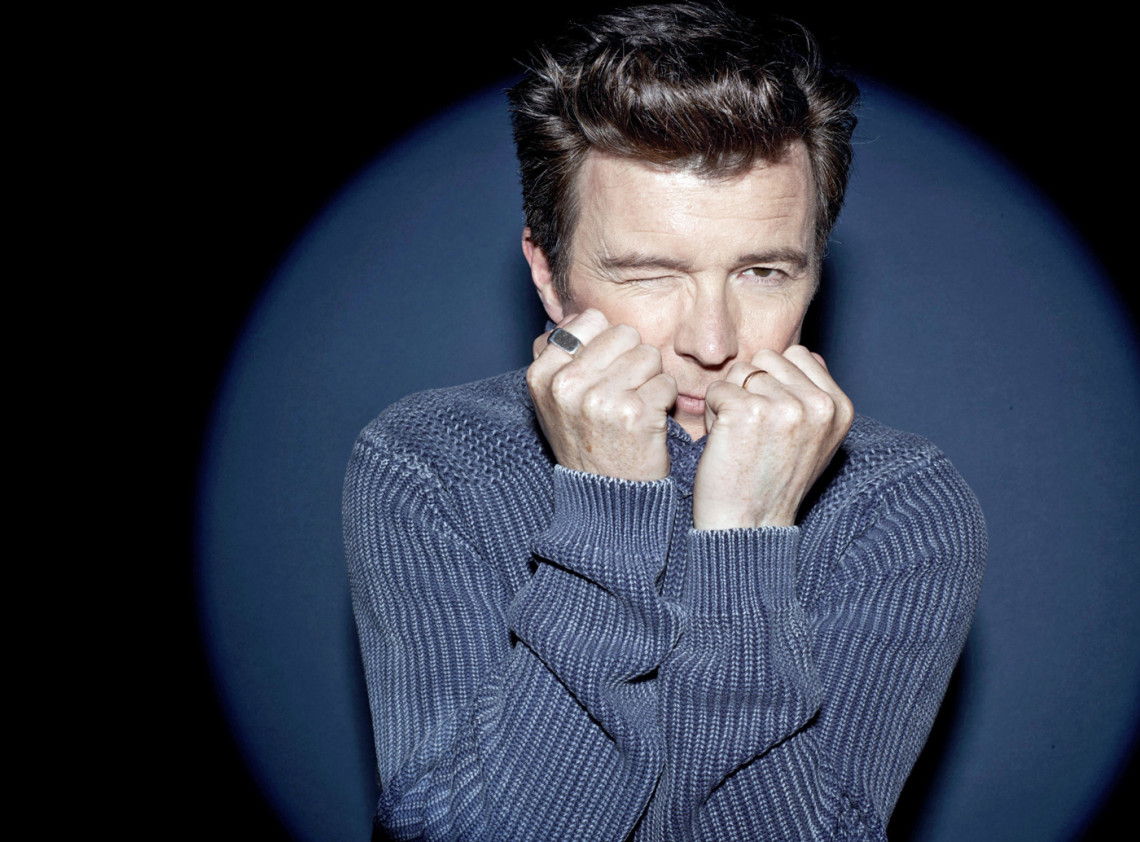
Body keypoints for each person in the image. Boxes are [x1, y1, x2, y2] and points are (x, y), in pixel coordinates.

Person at [343, 3, 986, 839]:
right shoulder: (430, 463)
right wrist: (607, 512)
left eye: (763, 272)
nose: (711, 343)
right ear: (548, 274)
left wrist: (745, 542)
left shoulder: (901, 508)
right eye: (650, 274)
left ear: (814, 272)